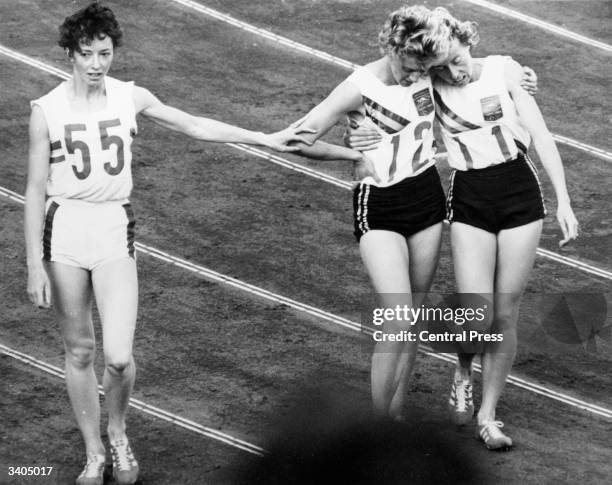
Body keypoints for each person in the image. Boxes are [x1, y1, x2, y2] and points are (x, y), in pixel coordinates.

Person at [23, 3, 310, 484]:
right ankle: (94, 451)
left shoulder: (130, 97)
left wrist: (264, 136)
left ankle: (117, 430)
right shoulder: (45, 111)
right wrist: (34, 263)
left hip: (114, 227)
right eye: (88, 54)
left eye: (105, 53)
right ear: (69, 54)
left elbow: (194, 124)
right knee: (78, 351)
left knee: (117, 355)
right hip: (66, 231)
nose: (97, 64)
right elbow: (34, 190)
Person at [286, 5, 536, 421]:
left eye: (426, 65)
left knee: (414, 321)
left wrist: (518, 73)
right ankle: (378, 428)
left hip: (426, 199)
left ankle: (395, 417)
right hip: (379, 203)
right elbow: (299, 139)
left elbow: (470, 63)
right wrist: (352, 150)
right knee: (396, 321)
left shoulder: (428, 70)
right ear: (392, 46)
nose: (417, 73)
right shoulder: (358, 87)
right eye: (411, 63)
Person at [345, 8, 578, 450]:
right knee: (477, 313)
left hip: (519, 195)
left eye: (459, 59)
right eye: (445, 66)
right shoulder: (428, 83)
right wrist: (352, 134)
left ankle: (488, 416)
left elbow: (541, 134)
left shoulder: (504, 71)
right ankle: (463, 369)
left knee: (505, 313)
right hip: (469, 195)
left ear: (470, 41)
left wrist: (563, 199)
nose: (456, 71)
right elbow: (380, 94)